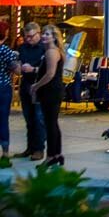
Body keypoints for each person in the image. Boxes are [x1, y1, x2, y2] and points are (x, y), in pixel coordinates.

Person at [28, 25, 65, 169]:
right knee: (53, 123)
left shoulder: (51, 52)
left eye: (47, 34)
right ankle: (57, 154)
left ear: (54, 37)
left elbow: (50, 74)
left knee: (50, 124)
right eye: (43, 33)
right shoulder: (56, 51)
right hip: (54, 91)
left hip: (50, 92)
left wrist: (36, 86)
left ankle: (50, 156)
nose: (44, 36)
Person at [14, 23, 45, 160]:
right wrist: (18, 66)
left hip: (39, 85)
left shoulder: (45, 49)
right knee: (29, 118)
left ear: (39, 33)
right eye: (26, 37)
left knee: (39, 118)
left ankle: (39, 149)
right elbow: (18, 63)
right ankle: (30, 147)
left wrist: (33, 69)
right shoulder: (22, 48)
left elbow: (49, 70)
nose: (29, 39)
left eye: (31, 36)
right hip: (26, 84)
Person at [0, 25, 21, 165]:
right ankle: (5, 153)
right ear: (5, 33)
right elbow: (17, 69)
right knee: (2, 119)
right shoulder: (4, 50)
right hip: (3, 87)